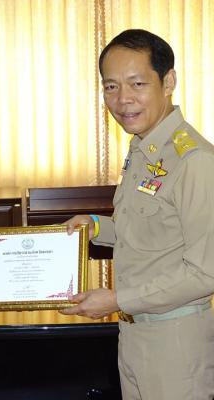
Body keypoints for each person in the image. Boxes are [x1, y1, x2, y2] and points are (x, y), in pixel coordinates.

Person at [61, 29, 214, 400]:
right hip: (134, 333)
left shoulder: (195, 161)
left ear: (168, 82)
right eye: (111, 87)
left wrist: (116, 300)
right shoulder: (144, 148)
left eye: (137, 84)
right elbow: (153, 232)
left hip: (175, 341)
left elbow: (204, 273)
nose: (123, 99)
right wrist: (96, 226)